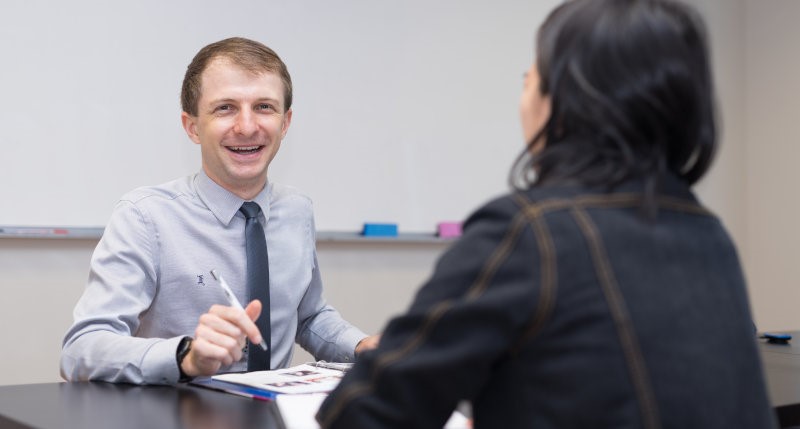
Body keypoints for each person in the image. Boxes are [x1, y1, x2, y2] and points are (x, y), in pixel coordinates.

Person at [316, 0, 775, 428]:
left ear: (565, 101)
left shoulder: (530, 231)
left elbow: (368, 410)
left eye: (529, 77)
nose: (524, 92)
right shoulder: (707, 232)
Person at [60, 37, 378, 385]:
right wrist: (186, 356)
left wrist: (362, 346)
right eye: (225, 107)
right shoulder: (144, 217)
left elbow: (307, 316)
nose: (246, 126)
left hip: (275, 413)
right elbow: (81, 350)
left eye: (264, 107)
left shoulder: (297, 210)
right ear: (192, 126)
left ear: (285, 123)